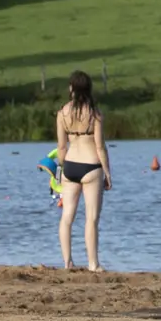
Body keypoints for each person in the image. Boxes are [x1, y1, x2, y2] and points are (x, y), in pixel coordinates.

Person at [56, 71, 111, 271]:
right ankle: (93, 263)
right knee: (92, 218)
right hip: (91, 166)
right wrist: (107, 172)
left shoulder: (62, 113)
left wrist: (61, 170)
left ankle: (67, 261)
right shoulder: (95, 113)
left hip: (70, 165)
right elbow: (100, 147)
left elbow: (61, 147)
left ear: (71, 88)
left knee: (67, 217)